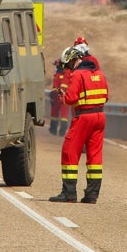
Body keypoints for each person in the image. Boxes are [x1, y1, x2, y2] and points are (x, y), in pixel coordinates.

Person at [48, 38, 109, 203]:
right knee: (95, 156)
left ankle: (69, 193)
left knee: (69, 151)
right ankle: (92, 195)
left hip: (84, 117)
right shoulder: (100, 74)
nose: (68, 68)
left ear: (74, 60)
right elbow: (106, 97)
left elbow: (71, 99)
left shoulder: (77, 75)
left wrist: (63, 95)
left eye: (68, 65)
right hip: (100, 117)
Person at [48, 58, 70, 136]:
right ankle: (54, 129)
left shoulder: (64, 73)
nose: (56, 66)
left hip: (62, 96)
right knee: (57, 114)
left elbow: (62, 85)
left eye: (57, 65)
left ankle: (60, 130)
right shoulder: (61, 73)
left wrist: (55, 93)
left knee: (63, 115)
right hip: (60, 96)